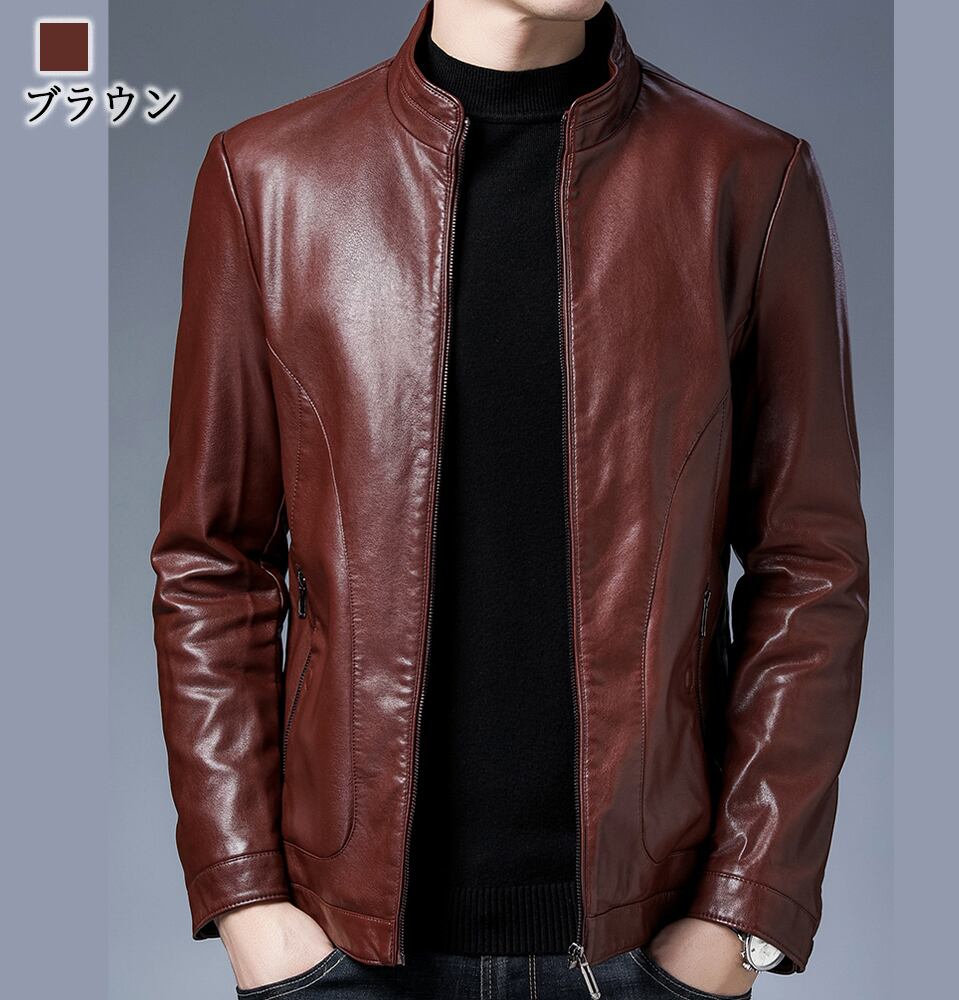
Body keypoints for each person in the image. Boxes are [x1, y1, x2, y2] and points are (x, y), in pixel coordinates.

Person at [149, 1, 870, 997]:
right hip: (342, 950)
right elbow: (211, 562)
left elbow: (812, 566)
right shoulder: (271, 178)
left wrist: (743, 912)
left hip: (646, 944)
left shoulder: (745, 179)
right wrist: (245, 897)